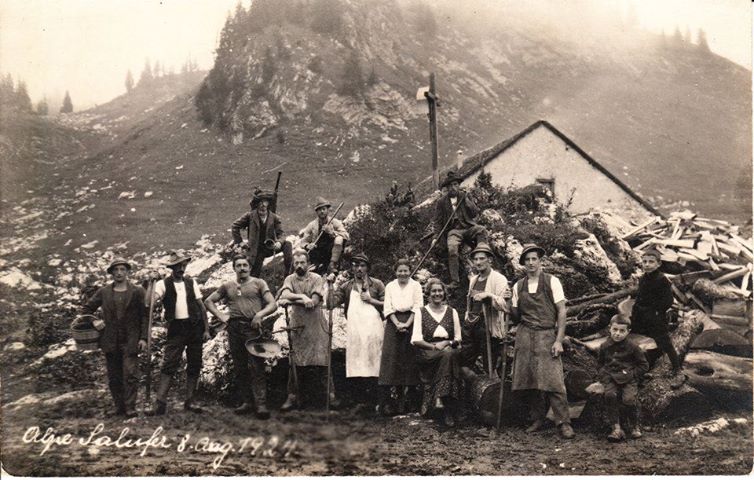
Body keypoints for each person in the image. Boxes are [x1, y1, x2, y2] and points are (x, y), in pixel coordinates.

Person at [510, 243, 574, 439]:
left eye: (534, 259)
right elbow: (516, 317)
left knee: (554, 380)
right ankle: (537, 418)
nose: (531, 263)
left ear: (539, 261)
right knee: (529, 378)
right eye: (527, 260)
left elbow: (561, 311)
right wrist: (507, 304)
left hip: (546, 334)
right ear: (523, 263)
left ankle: (563, 422)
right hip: (525, 335)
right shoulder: (518, 286)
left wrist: (558, 340)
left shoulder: (552, 281)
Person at [204, 255, 278, 419]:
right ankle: (247, 402)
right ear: (234, 268)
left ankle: (261, 404)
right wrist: (221, 315)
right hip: (234, 329)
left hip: (253, 328)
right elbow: (208, 301)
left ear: (250, 267)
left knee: (257, 366)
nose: (242, 268)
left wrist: (259, 315)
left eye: (245, 265)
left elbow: (273, 304)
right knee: (240, 366)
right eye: (238, 265)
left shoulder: (259, 283)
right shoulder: (228, 286)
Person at [145, 251, 210, 416]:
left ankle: (190, 401)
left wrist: (206, 329)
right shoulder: (162, 284)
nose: (181, 268)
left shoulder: (191, 282)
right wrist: (151, 284)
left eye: (183, 265)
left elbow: (201, 307)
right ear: (172, 267)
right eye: (177, 266)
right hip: (176, 329)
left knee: (194, 364)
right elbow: (148, 302)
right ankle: (160, 403)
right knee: (169, 364)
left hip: (194, 327)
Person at [82, 257, 147, 418]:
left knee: (130, 374)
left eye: (122, 269)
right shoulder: (104, 292)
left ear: (127, 272)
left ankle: (130, 407)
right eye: (116, 270)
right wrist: (94, 321)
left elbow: (145, 316)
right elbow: (87, 309)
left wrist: (144, 338)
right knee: (114, 377)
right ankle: (119, 407)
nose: (119, 273)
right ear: (111, 273)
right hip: (110, 340)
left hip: (131, 339)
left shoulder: (138, 291)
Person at [278, 249, 337, 410]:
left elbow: (314, 301)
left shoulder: (317, 278)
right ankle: (292, 396)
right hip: (298, 325)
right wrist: (302, 297)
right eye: (296, 263)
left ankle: (330, 395)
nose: (299, 266)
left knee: (323, 360)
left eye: (302, 262)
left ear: (308, 263)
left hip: (316, 325)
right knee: (295, 360)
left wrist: (293, 300)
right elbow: (285, 294)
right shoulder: (290, 279)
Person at [328, 253, 385, 409]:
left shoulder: (377, 284)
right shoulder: (346, 287)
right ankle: (359, 401)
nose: (359, 269)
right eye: (355, 265)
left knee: (374, 363)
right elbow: (331, 304)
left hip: (374, 330)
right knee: (357, 363)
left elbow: (387, 304)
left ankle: (375, 402)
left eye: (362, 266)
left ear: (367, 268)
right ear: (352, 268)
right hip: (355, 330)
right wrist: (330, 286)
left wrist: (371, 300)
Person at [586, 314, 649, 441]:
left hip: (628, 378)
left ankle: (634, 426)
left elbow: (644, 365)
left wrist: (633, 374)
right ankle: (616, 428)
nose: (617, 334)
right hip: (610, 378)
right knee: (610, 396)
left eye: (622, 331)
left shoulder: (633, 347)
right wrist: (604, 376)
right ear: (609, 328)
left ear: (628, 332)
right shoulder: (604, 346)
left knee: (629, 399)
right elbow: (600, 363)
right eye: (615, 329)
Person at [411, 278, 463, 426]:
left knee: (448, 354)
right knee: (449, 356)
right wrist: (434, 347)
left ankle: (440, 399)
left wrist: (446, 343)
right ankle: (448, 410)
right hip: (428, 351)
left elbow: (458, 338)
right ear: (428, 293)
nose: (437, 294)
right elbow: (416, 339)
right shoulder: (421, 312)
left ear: (444, 293)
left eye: (440, 290)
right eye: (433, 291)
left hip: (449, 348)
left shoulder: (452, 312)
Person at [630, 249, 685, 387]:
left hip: (655, 317)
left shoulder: (662, 279)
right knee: (639, 342)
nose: (647, 264)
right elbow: (639, 297)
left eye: (651, 262)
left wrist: (656, 311)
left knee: (664, 343)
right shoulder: (643, 278)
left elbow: (668, 300)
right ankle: (643, 370)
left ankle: (677, 369)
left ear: (658, 264)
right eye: (644, 262)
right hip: (640, 316)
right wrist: (635, 313)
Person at [378, 258, 422, 415]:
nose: (403, 273)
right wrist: (397, 324)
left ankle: (409, 401)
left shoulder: (416, 286)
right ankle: (390, 402)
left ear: (410, 271)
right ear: (395, 272)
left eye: (405, 270)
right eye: (400, 271)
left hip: (411, 322)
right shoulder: (390, 286)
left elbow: (418, 306)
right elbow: (387, 307)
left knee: (409, 358)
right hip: (393, 323)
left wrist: (407, 324)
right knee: (391, 359)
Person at [460, 242, 510, 376]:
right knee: (465, 362)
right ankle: (476, 385)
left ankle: (492, 385)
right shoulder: (473, 280)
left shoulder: (499, 279)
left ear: (490, 260)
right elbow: (470, 302)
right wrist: (467, 318)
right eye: (475, 259)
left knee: (490, 365)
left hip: (488, 327)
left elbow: (505, 305)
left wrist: (489, 296)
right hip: (471, 325)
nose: (478, 262)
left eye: (482, 258)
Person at [431, 170, 487, 289]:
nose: (453, 187)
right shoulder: (442, 202)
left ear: (459, 185)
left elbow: (474, 213)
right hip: (454, 231)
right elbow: (437, 222)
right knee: (452, 249)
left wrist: (467, 201)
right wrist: (436, 237)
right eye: (450, 185)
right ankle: (455, 281)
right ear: (447, 188)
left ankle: (483, 261)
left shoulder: (464, 196)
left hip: (468, 227)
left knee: (481, 230)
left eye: (455, 184)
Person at [230, 189, 293, 278]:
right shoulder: (250, 216)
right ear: (257, 203)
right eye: (261, 202)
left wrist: (279, 242)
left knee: (287, 244)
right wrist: (240, 242)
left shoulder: (274, 217)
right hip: (256, 250)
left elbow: (281, 234)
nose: (263, 205)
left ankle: (288, 273)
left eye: (265, 202)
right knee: (254, 275)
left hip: (269, 247)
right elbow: (235, 226)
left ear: (268, 203)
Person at [300, 197, 350, 276]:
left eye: (324, 209)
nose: (322, 211)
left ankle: (332, 265)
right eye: (319, 210)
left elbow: (346, 236)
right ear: (317, 212)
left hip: (332, 251)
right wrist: (308, 245)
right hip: (318, 252)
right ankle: (318, 267)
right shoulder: (312, 225)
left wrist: (331, 232)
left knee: (339, 239)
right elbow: (303, 241)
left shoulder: (335, 222)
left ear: (327, 210)